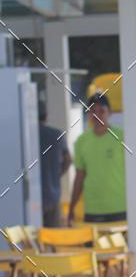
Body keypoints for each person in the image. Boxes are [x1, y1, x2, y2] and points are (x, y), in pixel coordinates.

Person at [68, 93, 126, 224]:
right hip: (93, 209)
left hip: (120, 206)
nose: (97, 115)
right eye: (93, 111)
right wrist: (71, 208)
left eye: (101, 111)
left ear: (109, 113)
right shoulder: (82, 141)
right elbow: (79, 176)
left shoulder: (122, 137)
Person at [39, 106, 71, 227]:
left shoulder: (26, 135)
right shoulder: (57, 134)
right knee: (52, 235)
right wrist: (57, 175)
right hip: (52, 195)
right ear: (46, 116)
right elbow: (68, 160)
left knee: (32, 235)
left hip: (32, 198)